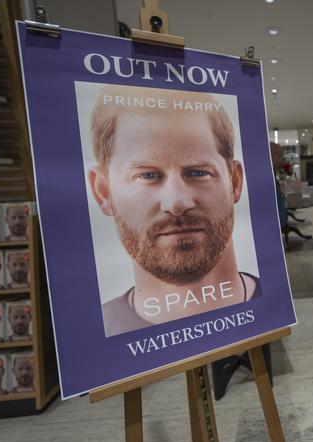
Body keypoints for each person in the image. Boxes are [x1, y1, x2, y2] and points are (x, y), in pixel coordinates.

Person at [86, 85, 259, 336]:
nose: (177, 203)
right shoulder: (95, 334)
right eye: (148, 175)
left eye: (199, 172)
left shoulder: (271, 305)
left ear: (234, 181)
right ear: (103, 192)